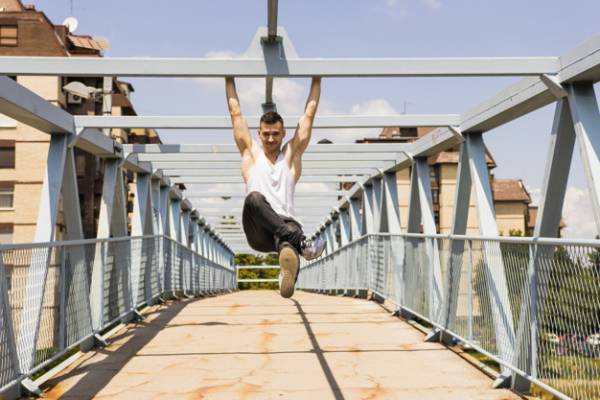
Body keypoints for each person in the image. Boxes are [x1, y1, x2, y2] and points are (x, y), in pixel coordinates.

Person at [225, 77, 326, 298]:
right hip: (258, 230)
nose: (271, 139)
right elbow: (235, 113)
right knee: (254, 198)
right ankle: (302, 244)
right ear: (259, 134)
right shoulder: (251, 154)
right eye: (266, 134)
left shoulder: (290, 156)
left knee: (287, 243)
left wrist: (317, 80)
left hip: (286, 227)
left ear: (283, 134)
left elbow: (309, 116)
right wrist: (228, 78)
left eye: (276, 134)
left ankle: (287, 271)